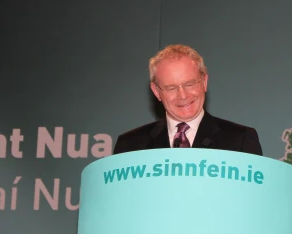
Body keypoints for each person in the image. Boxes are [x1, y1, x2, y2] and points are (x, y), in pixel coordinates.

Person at [113, 44, 263, 156]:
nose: (183, 95)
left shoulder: (240, 140)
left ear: (204, 82)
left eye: (189, 84)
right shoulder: (130, 146)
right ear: (156, 91)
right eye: (171, 88)